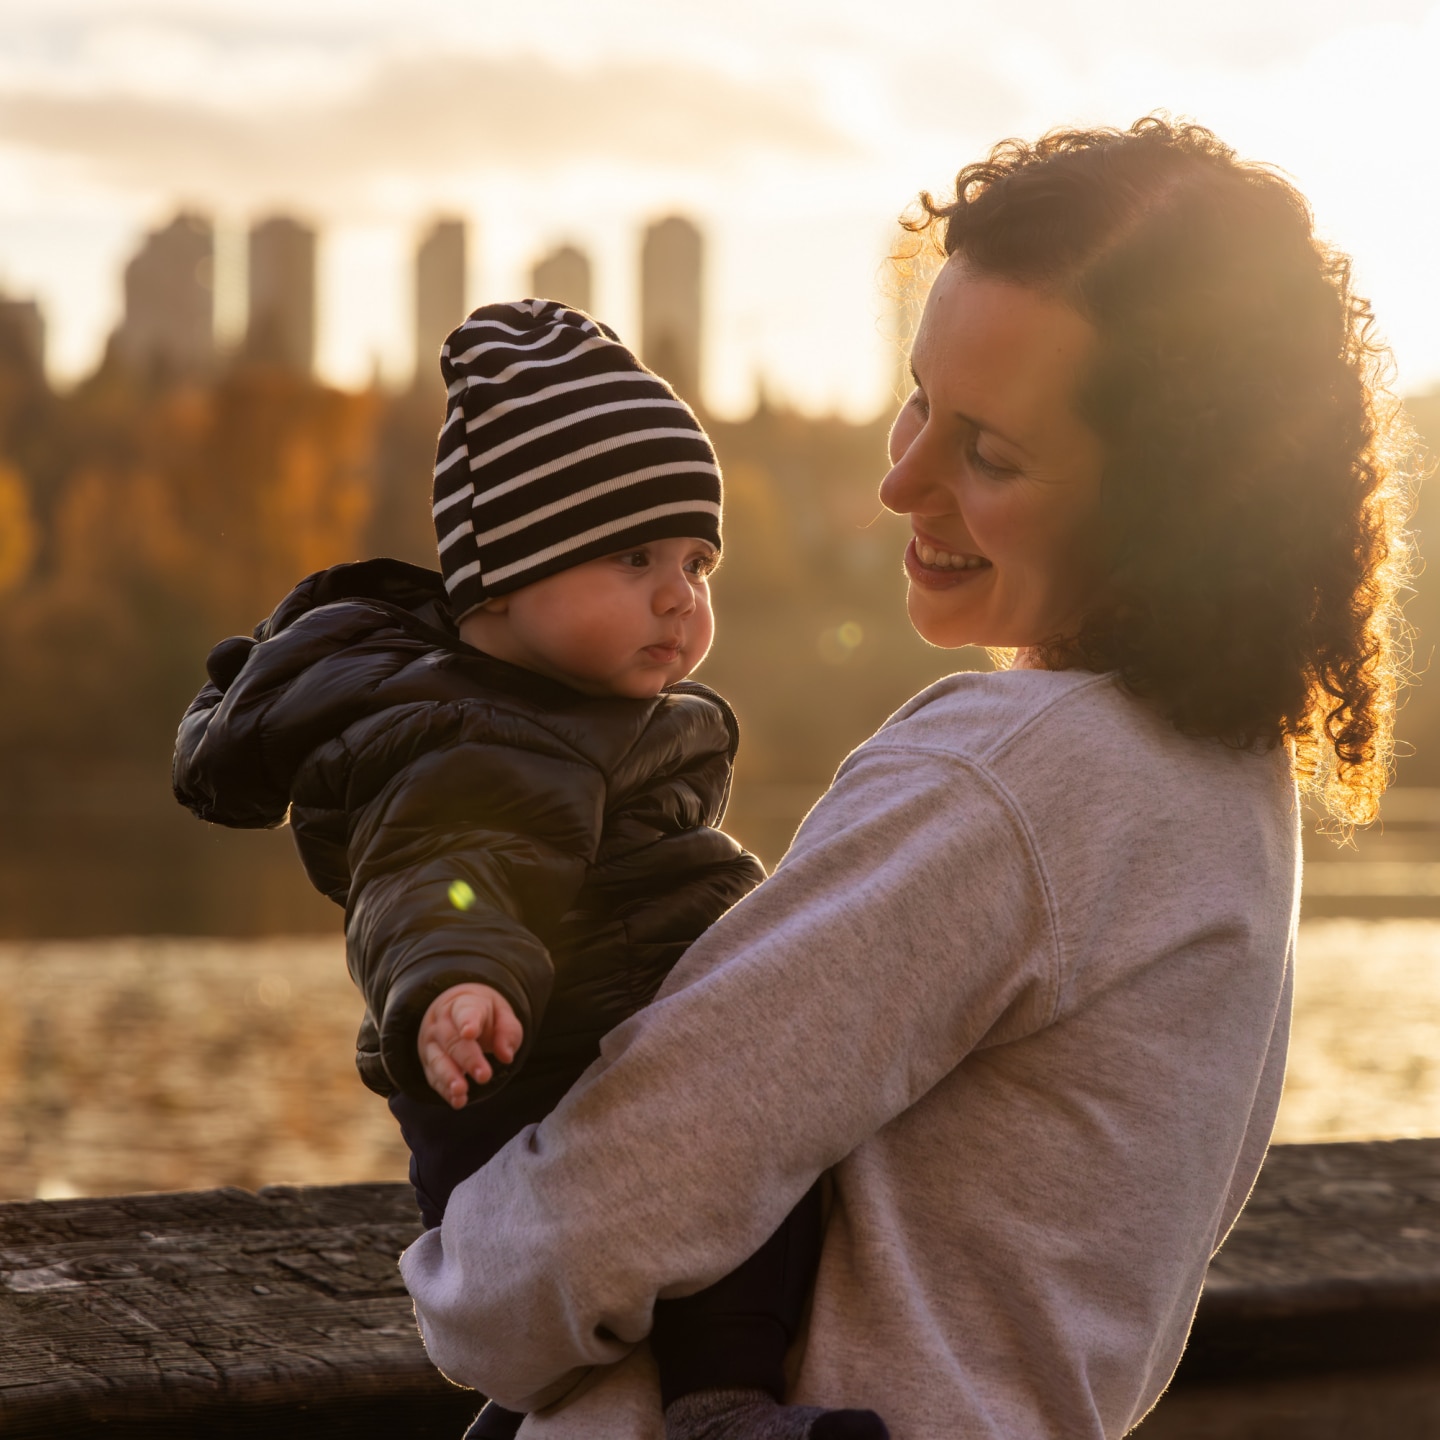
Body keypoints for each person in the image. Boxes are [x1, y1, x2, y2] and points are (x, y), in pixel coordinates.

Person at [398, 118, 1412, 1438]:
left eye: (989, 454)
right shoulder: (1228, 792)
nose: (900, 480)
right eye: (921, 399)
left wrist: (465, 1287)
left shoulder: (1011, 783)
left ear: (1164, 511)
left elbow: (594, 1224)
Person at [172, 301, 887, 1440]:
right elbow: (434, 872)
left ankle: (613, 1408)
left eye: (698, 563)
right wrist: (460, 984)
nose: (680, 596)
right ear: (501, 579)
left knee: (763, 1170)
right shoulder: (463, 737)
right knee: (743, 1198)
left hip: (597, 1049)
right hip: (519, 1066)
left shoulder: (579, 714)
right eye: (635, 557)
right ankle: (719, 1411)